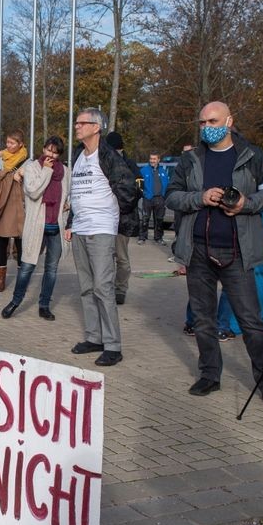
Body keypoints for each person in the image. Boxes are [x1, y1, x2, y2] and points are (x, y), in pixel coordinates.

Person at [166, 102, 263, 407]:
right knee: (203, 321)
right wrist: (199, 198)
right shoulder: (191, 158)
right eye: (203, 122)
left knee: (251, 323)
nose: (207, 126)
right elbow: (172, 196)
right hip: (199, 252)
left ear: (229, 121)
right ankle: (209, 375)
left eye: (213, 121)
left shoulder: (253, 155)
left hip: (238, 252)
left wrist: (247, 203)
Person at [64, 108, 139, 367]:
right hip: (81, 230)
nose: (77, 126)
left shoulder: (107, 156)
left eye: (82, 122)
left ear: (96, 127)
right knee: (86, 287)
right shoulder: (78, 155)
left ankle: (113, 345)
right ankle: (94, 337)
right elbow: (76, 193)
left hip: (102, 229)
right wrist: (72, 222)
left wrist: (117, 218)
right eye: (76, 122)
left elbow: (128, 189)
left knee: (103, 287)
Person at [1, 136, 68, 321]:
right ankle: (15, 301)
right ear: (43, 148)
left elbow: (68, 193)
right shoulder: (31, 168)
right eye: (48, 150)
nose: (51, 155)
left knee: (51, 269)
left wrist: (68, 203)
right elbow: (33, 191)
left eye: (55, 152)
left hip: (56, 226)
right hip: (37, 225)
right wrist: (46, 171)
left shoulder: (65, 171)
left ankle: (44, 305)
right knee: (27, 266)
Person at [104, 131, 141, 305]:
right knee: (104, 257)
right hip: (104, 219)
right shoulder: (103, 162)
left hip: (123, 219)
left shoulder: (131, 165)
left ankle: (120, 289)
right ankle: (105, 288)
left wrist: (120, 204)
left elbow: (137, 192)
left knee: (122, 258)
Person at [0, 129, 27, 292]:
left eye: (12, 143)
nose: (8, 146)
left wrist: (23, 175)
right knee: (2, 244)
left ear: (20, 145)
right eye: (7, 142)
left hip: (19, 205)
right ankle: (1, 280)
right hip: (3, 205)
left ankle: (22, 281)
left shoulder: (27, 161)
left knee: (21, 245)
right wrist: (11, 175)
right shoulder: (1, 160)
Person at [138, 152, 168, 245]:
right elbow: (139, 184)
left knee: (159, 219)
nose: (152, 161)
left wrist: (164, 195)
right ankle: (142, 237)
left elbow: (166, 183)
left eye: (154, 159)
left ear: (158, 160)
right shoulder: (144, 170)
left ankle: (158, 237)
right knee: (145, 219)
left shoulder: (163, 171)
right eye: (151, 159)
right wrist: (144, 194)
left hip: (160, 199)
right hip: (148, 198)